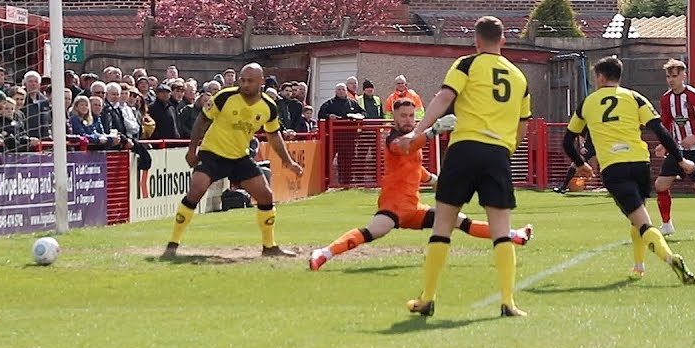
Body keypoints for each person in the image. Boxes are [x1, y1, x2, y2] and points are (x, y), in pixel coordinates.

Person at [394, 16, 531, 318]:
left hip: (465, 148)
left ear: (476, 41)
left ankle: (427, 298)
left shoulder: (466, 64)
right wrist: (507, 151)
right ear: (503, 40)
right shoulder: (519, 76)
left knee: (443, 224)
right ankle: (508, 302)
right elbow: (523, 124)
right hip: (497, 153)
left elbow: (445, 97)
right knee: (502, 229)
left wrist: (417, 132)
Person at [309, 99, 533, 270]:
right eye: (403, 116)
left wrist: (433, 180)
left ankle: (514, 235)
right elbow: (404, 147)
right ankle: (324, 253)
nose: (408, 120)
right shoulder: (394, 139)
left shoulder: (413, 140)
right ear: (394, 118)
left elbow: (415, 168)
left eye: (411, 115)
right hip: (394, 206)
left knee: (460, 220)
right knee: (374, 231)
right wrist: (432, 131)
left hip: (414, 208)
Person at [563, 56, 695, 284]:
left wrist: (580, 164)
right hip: (640, 163)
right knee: (638, 215)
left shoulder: (588, 102)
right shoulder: (635, 97)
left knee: (643, 223)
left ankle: (670, 258)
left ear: (601, 77)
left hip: (614, 168)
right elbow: (661, 131)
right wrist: (681, 159)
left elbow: (567, 141)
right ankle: (638, 267)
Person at [162, 64, 303, 259]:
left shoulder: (269, 106)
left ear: (261, 82)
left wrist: (288, 161)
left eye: (250, 81)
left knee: (265, 195)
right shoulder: (225, 96)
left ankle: (269, 246)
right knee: (196, 190)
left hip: (239, 157)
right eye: (242, 80)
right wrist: (192, 150)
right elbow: (202, 120)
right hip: (212, 153)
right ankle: (172, 244)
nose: (245, 84)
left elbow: (273, 135)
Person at [653, 59, 695, 239]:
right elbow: (666, 122)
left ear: (684, 75)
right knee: (660, 185)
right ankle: (667, 224)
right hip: (677, 151)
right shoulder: (666, 99)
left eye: (675, 76)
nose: (671, 80)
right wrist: (663, 143)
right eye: (668, 76)